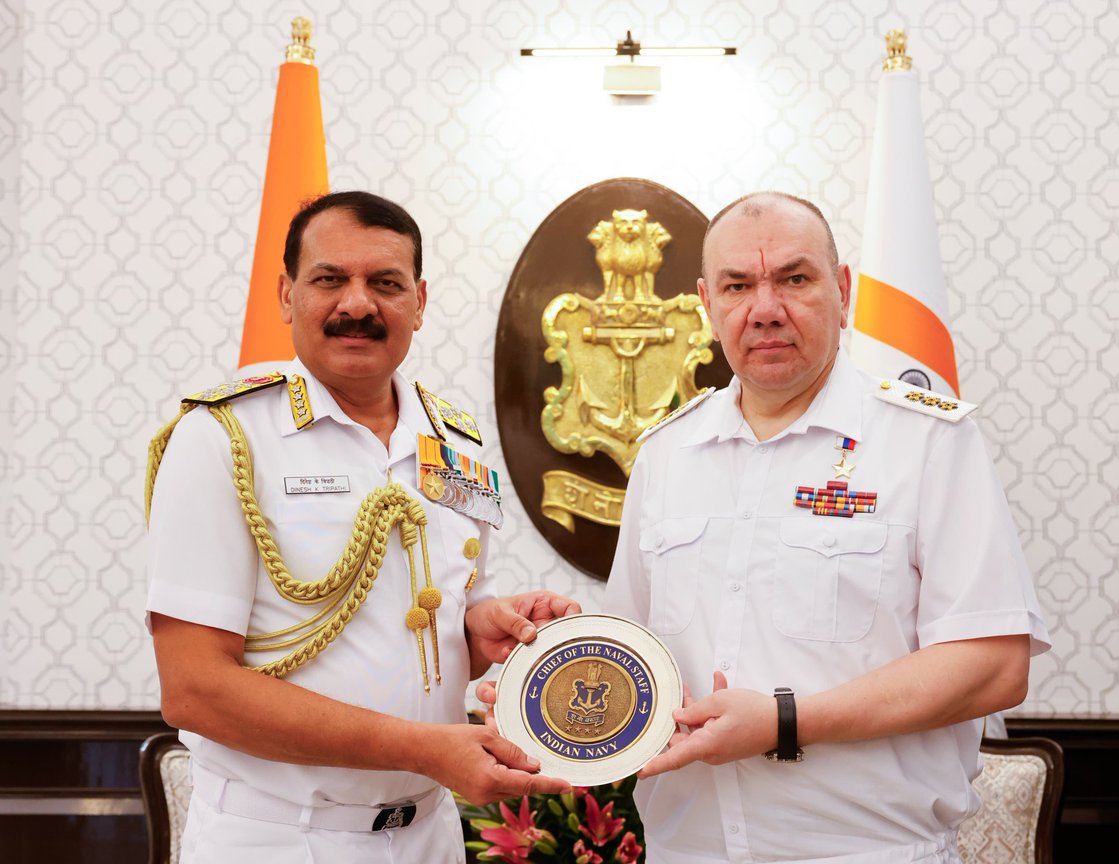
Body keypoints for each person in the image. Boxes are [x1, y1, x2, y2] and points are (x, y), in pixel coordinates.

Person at [602, 192, 1051, 863]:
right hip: (684, 851)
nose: (765, 308)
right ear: (706, 304)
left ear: (841, 291)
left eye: (794, 278)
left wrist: (784, 721)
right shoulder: (667, 453)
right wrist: (533, 692)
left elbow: (994, 667)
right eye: (737, 285)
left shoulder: (927, 441)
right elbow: (629, 654)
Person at [145, 191, 576, 864]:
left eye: (385, 283)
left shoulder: (455, 443)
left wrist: (485, 625)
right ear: (286, 295)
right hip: (277, 841)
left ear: (420, 301)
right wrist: (425, 748)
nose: (357, 305)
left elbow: (448, 605)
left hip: (429, 836)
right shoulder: (223, 438)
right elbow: (195, 688)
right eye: (329, 280)